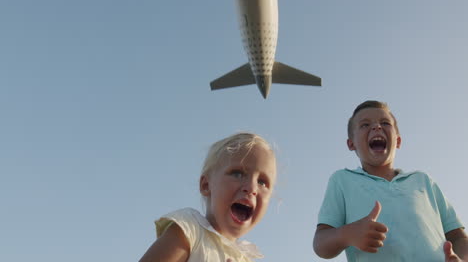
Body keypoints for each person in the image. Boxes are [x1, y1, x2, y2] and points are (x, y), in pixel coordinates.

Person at [313, 100, 468, 261]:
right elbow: (320, 244)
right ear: (351, 144)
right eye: (365, 125)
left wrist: (462, 259)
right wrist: (348, 234)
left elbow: (459, 236)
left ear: (398, 140)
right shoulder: (342, 180)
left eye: (385, 123)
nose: (376, 127)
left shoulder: (423, 181)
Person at [139, 132, 277, 262]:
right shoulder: (189, 231)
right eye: (237, 174)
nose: (252, 188)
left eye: (262, 182)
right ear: (206, 185)